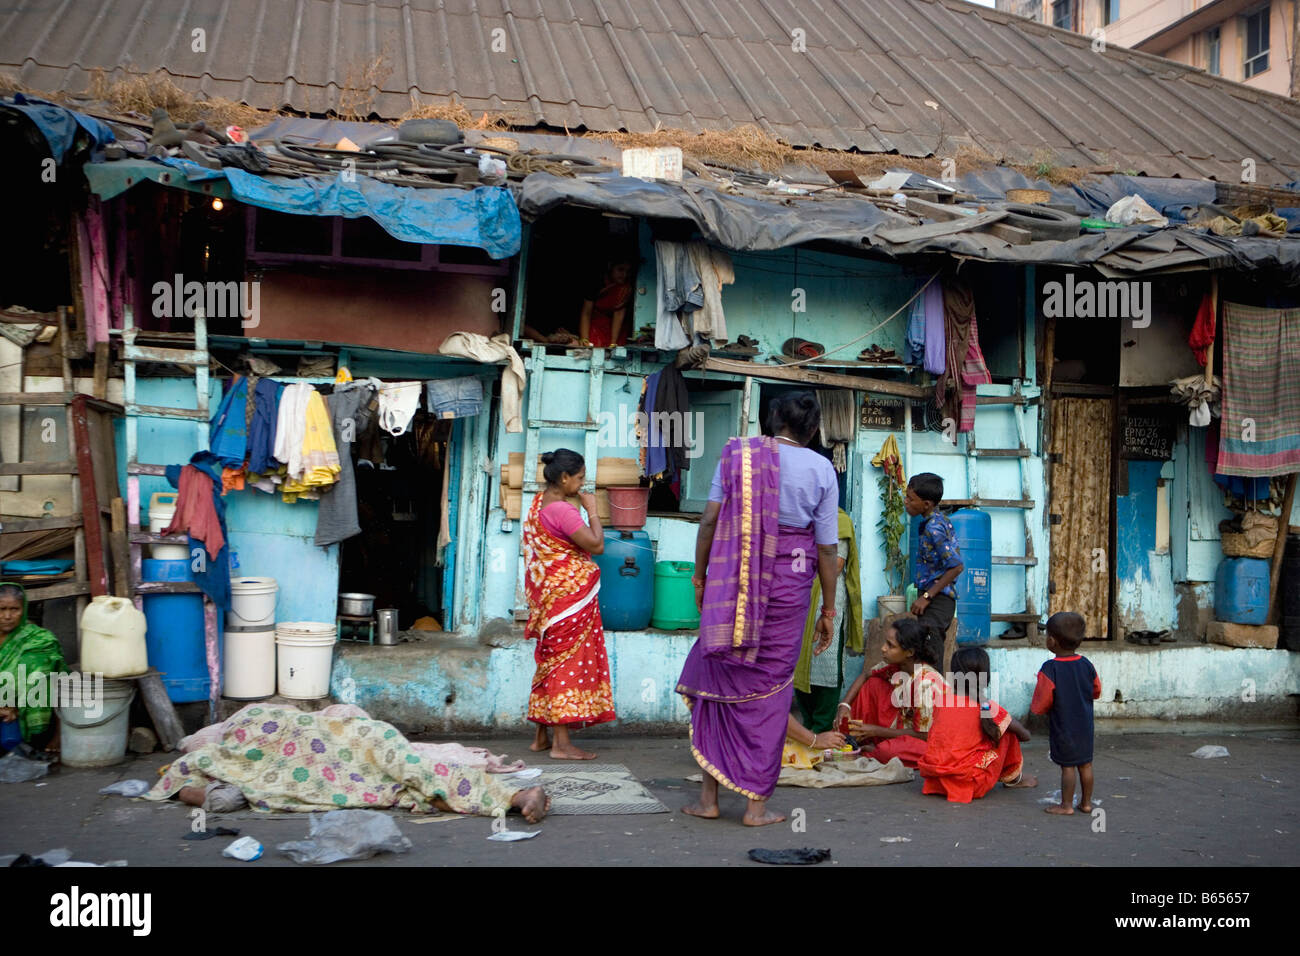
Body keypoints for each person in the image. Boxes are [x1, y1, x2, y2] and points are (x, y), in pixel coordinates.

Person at [677, 391, 840, 826]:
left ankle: (709, 800)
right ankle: (755, 808)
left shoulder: (737, 456)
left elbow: (709, 520)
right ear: (812, 428)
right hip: (789, 587)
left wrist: (700, 577)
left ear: (771, 421)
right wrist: (828, 608)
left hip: (732, 585)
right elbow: (826, 547)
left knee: (720, 678)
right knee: (770, 693)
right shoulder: (822, 469)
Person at [148, 703, 549, 822]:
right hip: (342, 761)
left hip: (358, 740)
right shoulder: (209, 753)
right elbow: (180, 783)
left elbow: (178, 785)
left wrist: (209, 794)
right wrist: (212, 793)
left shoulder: (247, 718)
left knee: (410, 773)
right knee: (404, 788)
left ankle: (515, 795)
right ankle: (513, 796)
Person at [521, 448, 615, 759]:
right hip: (568, 600)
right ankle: (562, 745)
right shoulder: (563, 511)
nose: (582, 484)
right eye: (580, 478)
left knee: (549, 662)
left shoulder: (538, 504)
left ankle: (541, 736)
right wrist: (593, 510)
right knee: (566, 665)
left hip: (549, 597)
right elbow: (597, 545)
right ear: (564, 478)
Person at [918, 647, 1037, 803]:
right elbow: (1024, 736)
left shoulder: (942, 701)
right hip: (970, 783)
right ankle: (1014, 779)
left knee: (996, 726)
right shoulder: (987, 707)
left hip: (935, 779)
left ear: (953, 676)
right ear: (985, 677)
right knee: (1007, 731)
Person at [836, 617, 944, 767]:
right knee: (873, 684)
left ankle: (875, 749)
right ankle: (857, 739)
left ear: (909, 652)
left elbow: (923, 735)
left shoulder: (926, 683)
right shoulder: (897, 665)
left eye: (890, 645)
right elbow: (866, 674)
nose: (883, 648)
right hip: (901, 725)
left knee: (887, 751)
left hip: (928, 739)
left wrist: (876, 731)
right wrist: (844, 705)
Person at [793, 507, 863, 732]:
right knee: (799, 663)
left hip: (827, 601)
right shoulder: (799, 519)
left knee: (826, 664)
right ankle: (809, 726)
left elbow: (835, 564)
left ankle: (822, 727)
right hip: (798, 598)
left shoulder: (839, 521)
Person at [1031, 611, 1101, 815]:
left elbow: (1042, 701)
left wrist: (1038, 711)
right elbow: (1096, 690)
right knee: (1086, 765)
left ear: (1051, 641)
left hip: (1064, 726)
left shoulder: (1050, 668)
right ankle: (1087, 803)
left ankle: (1066, 805)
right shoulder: (1086, 664)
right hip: (1085, 725)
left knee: (1068, 767)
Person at [0, 582, 66, 752]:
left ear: (23, 610)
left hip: (29, 715)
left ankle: (50, 739)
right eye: (1, 609)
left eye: (14, 609)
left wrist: (15, 705)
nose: (7, 616)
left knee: (37, 670)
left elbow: (46, 679)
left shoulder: (39, 640)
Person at [906, 472, 963, 656]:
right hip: (932, 598)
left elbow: (956, 566)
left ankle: (934, 685)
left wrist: (927, 597)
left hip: (939, 600)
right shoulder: (932, 522)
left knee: (930, 654)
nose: (906, 501)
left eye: (910, 498)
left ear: (927, 504)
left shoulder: (934, 528)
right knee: (923, 651)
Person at [578, 259, 634, 348]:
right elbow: (586, 313)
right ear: (610, 267)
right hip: (595, 324)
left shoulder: (625, 289)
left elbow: (619, 314)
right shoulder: (596, 283)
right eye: (620, 270)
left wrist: (613, 343)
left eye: (628, 271)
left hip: (616, 329)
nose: (625, 275)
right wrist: (584, 339)